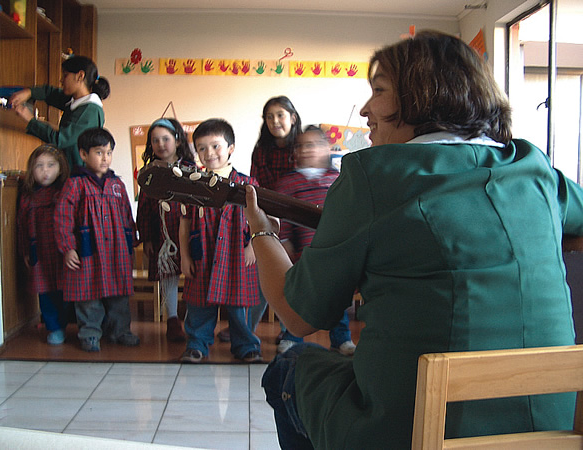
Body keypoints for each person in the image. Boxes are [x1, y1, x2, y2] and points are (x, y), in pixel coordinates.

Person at [244, 30, 583, 449]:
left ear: (426, 94)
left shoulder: (372, 174)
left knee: (289, 367)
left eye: (379, 90)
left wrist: (260, 229)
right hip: (551, 424)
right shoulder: (534, 169)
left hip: (418, 429)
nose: (367, 109)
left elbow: (298, 315)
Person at [216, 96, 303, 344]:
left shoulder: (301, 145)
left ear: (292, 118)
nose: (275, 121)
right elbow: (256, 187)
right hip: (269, 217)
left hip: (297, 220)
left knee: (294, 277)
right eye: (269, 116)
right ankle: (245, 329)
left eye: (280, 115)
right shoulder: (261, 149)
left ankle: (290, 332)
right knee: (263, 274)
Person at [178, 119, 262, 363]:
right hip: (201, 253)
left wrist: (252, 246)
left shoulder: (248, 185)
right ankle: (196, 344)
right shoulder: (191, 183)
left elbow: (261, 221)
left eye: (215, 146)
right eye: (202, 148)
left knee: (239, 306)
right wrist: (184, 256)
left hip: (237, 254)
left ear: (231, 148)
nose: (209, 153)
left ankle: (246, 345)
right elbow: (184, 222)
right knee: (199, 304)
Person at [55, 127, 139, 352]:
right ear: (83, 154)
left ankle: (120, 331)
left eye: (109, 153)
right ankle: (90, 334)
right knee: (87, 295)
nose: (105, 158)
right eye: (99, 152)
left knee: (119, 295)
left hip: (116, 251)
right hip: (87, 250)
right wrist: (68, 248)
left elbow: (127, 216)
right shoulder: (75, 184)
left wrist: (132, 240)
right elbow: (62, 218)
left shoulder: (117, 185)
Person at [274, 125, 356, 356]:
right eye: (301, 146)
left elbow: (349, 214)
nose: (306, 150)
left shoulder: (338, 179)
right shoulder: (288, 183)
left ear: (327, 148)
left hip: (333, 253)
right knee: (300, 298)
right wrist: (285, 240)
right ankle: (291, 336)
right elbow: (282, 215)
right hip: (301, 254)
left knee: (336, 299)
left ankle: (341, 339)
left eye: (313, 144)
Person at [137, 118, 195, 342]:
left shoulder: (192, 170)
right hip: (163, 234)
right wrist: (148, 239)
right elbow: (143, 209)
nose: (161, 144)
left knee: (192, 274)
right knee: (168, 274)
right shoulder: (149, 172)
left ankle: (192, 319)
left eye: (165, 139)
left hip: (189, 232)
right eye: (155, 140)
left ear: (178, 141)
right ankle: (172, 319)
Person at [9, 56, 111, 169]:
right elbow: (49, 93)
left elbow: (59, 139)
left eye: (65, 75)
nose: (61, 80)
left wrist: (30, 120)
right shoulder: (76, 101)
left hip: (77, 178)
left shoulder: (90, 111)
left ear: (80, 76)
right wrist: (29, 92)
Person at [17, 144, 71, 345]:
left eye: (50, 165)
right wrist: (25, 250)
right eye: (39, 166)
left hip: (62, 251)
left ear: (60, 167)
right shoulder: (28, 195)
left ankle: (65, 324)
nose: (45, 171)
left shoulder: (65, 190)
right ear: (31, 169)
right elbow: (21, 225)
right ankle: (54, 327)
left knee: (65, 291)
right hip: (38, 251)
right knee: (45, 291)